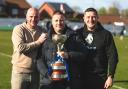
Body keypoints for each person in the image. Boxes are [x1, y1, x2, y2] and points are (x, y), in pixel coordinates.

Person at [37, 11, 88, 89]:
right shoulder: (45, 37)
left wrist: (69, 55)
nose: (59, 23)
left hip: (68, 83)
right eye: (56, 20)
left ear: (65, 21)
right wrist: (47, 74)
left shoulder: (74, 36)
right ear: (52, 22)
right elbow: (39, 59)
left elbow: (83, 54)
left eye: (61, 20)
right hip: (49, 82)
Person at [78, 7, 118, 89]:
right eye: (88, 17)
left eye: (93, 17)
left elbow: (113, 56)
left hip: (99, 79)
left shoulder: (106, 35)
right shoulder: (77, 33)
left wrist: (110, 76)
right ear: (84, 18)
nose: (91, 19)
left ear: (97, 18)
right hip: (80, 78)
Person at [11, 7, 47, 89]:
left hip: (36, 73)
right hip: (20, 73)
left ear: (39, 18)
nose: (33, 19)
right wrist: (38, 42)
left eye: (36, 17)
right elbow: (20, 47)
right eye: (31, 16)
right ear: (26, 17)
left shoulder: (42, 30)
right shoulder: (19, 29)